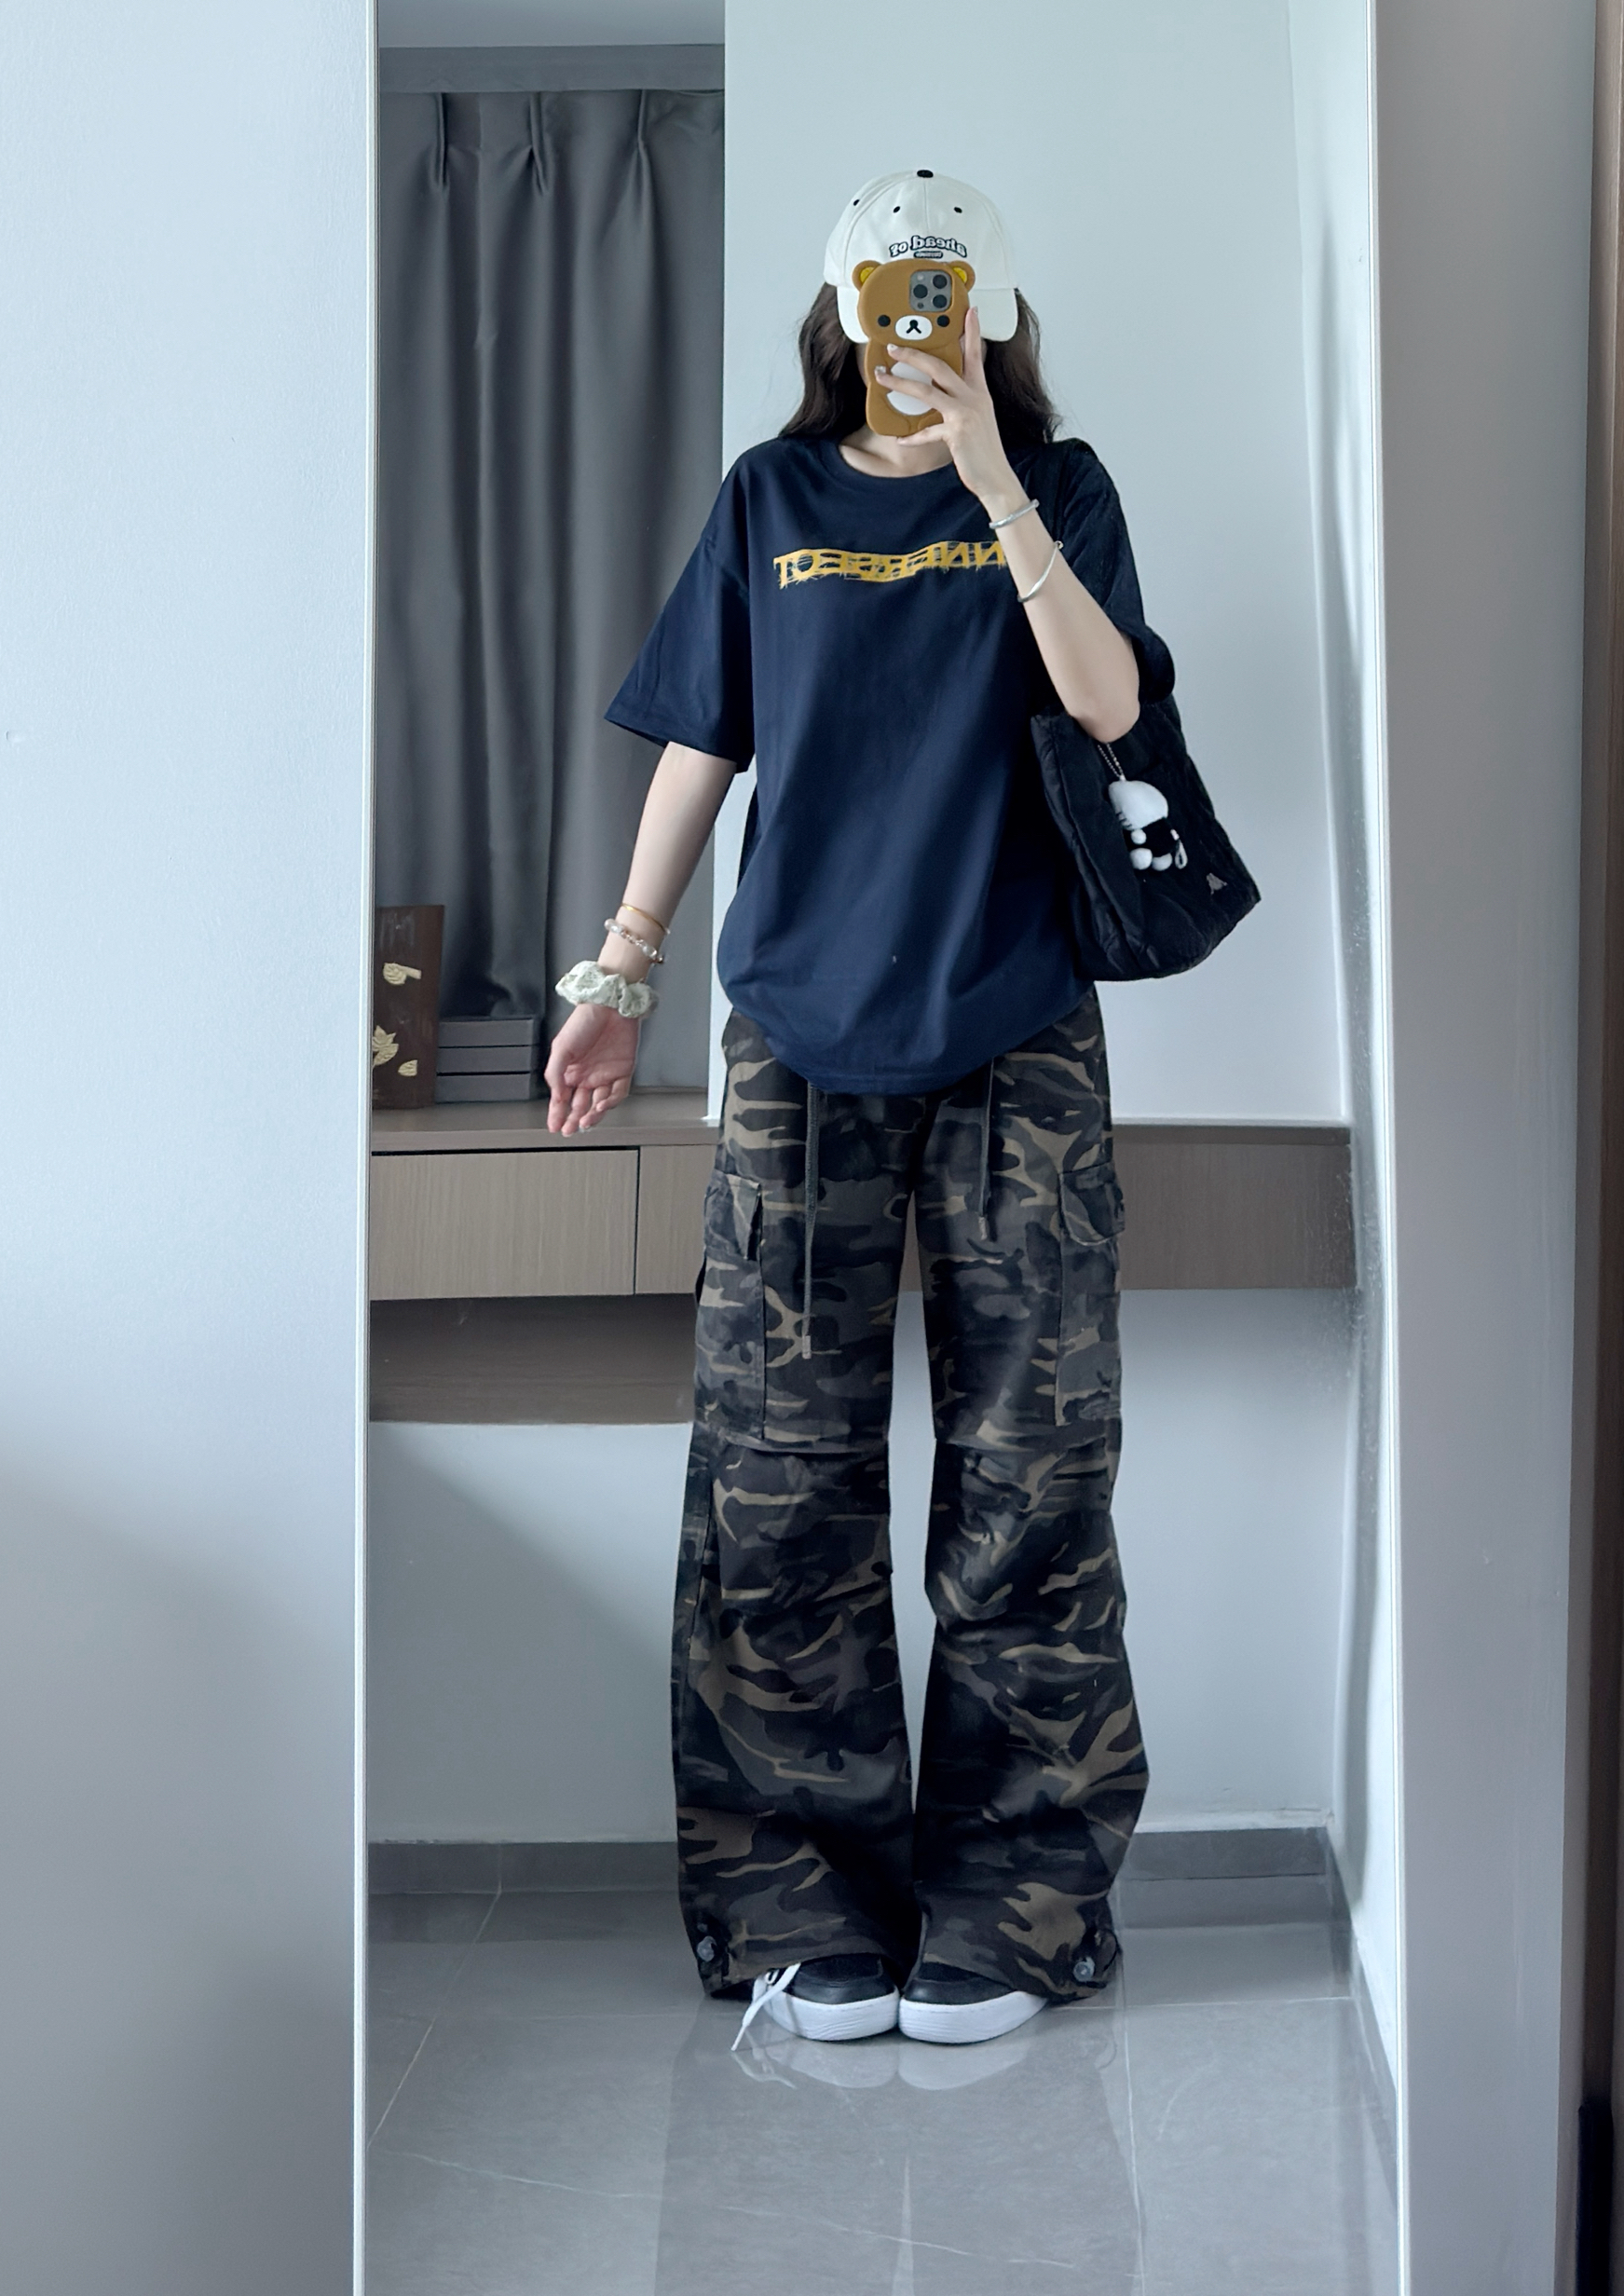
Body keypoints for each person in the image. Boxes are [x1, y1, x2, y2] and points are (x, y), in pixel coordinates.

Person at [544, 170, 1165, 2047]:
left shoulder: (1060, 488)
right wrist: (620, 971)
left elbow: (1111, 712)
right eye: (890, 292)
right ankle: (795, 1899)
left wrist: (990, 484)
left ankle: (1018, 1901)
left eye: (945, 293)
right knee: (777, 1477)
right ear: (840, 312)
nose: (915, 322)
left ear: (991, 313)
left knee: (1033, 1473)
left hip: (1018, 1030)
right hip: (798, 1039)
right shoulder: (772, 497)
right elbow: (703, 742)